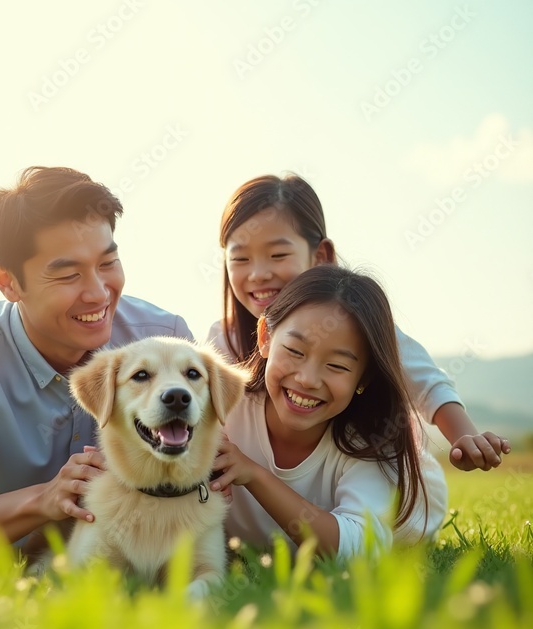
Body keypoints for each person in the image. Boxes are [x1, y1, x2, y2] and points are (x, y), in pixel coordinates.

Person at [0, 166, 193, 565]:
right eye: (68, 275)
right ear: (8, 282)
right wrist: (43, 499)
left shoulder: (166, 339)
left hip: (115, 541)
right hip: (4, 542)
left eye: (107, 263)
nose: (98, 294)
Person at [207, 173, 510, 473]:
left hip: (360, 483)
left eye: (278, 254)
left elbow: (427, 383)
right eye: (240, 259)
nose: (258, 273)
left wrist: (464, 435)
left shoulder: (352, 324)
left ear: (321, 256)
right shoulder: (223, 339)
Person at [210, 265, 447, 559]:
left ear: (363, 378)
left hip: (413, 501)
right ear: (265, 338)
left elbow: (358, 548)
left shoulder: (369, 444)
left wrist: (254, 475)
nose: (308, 379)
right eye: (295, 351)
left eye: (337, 366)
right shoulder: (223, 406)